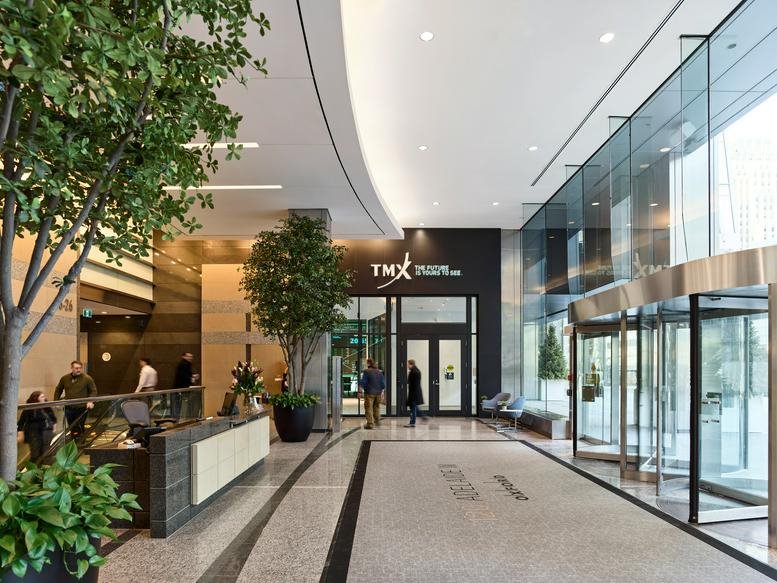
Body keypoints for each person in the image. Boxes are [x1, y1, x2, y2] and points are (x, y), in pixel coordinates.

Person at [54, 360, 97, 437]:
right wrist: (56, 401)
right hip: (69, 407)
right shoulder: (65, 378)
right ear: (72, 368)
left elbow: (93, 391)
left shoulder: (87, 378)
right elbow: (58, 389)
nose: (79, 370)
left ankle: (81, 441)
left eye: (80, 368)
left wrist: (90, 401)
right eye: (76, 368)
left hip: (81, 407)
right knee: (72, 426)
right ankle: (74, 440)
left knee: (79, 426)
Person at [17, 391, 56, 463]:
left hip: (46, 432)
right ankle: (35, 467)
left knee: (46, 452)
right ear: (36, 398)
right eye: (42, 397)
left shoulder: (46, 407)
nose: (44, 398)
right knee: (35, 453)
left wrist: (53, 428)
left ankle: (45, 466)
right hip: (33, 434)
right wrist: (20, 433)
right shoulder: (29, 408)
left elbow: (53, 418)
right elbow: (21, 422)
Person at [358, 358, 385, 430]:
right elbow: (383, 384)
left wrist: (360, 391)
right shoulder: (379, 372)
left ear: (369, 363)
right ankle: (377, 421)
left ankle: (370, 424)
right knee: (377, 407)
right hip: (378, 393)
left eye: (366, 363)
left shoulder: (366, 371)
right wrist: (382, 392)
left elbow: (363, 382)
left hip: (369, 393)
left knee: (368, 408)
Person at [172, 352, 196, 419]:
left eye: (191, 357)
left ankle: (179, 418)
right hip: (181, 388)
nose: (190, 358)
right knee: (178, 404)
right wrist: (191, 378)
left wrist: (192, 376)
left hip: (181, 388)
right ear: (184, 357)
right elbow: (182, 375)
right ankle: (178, 418)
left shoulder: (186, 364)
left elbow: (185, 374)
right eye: (188, 356)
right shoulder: (184, 364)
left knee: (179, 404)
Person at [405, 359, 427, 427]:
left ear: (411, 364)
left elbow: (413, 384)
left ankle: (412, 422)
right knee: (414, 407)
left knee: (413, 408)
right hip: (414, 393)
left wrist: (413, 394)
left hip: (414, 393)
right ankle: (423, 416)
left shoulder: (414, 372)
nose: (407, 366)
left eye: (408, 364)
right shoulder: (415, 371)